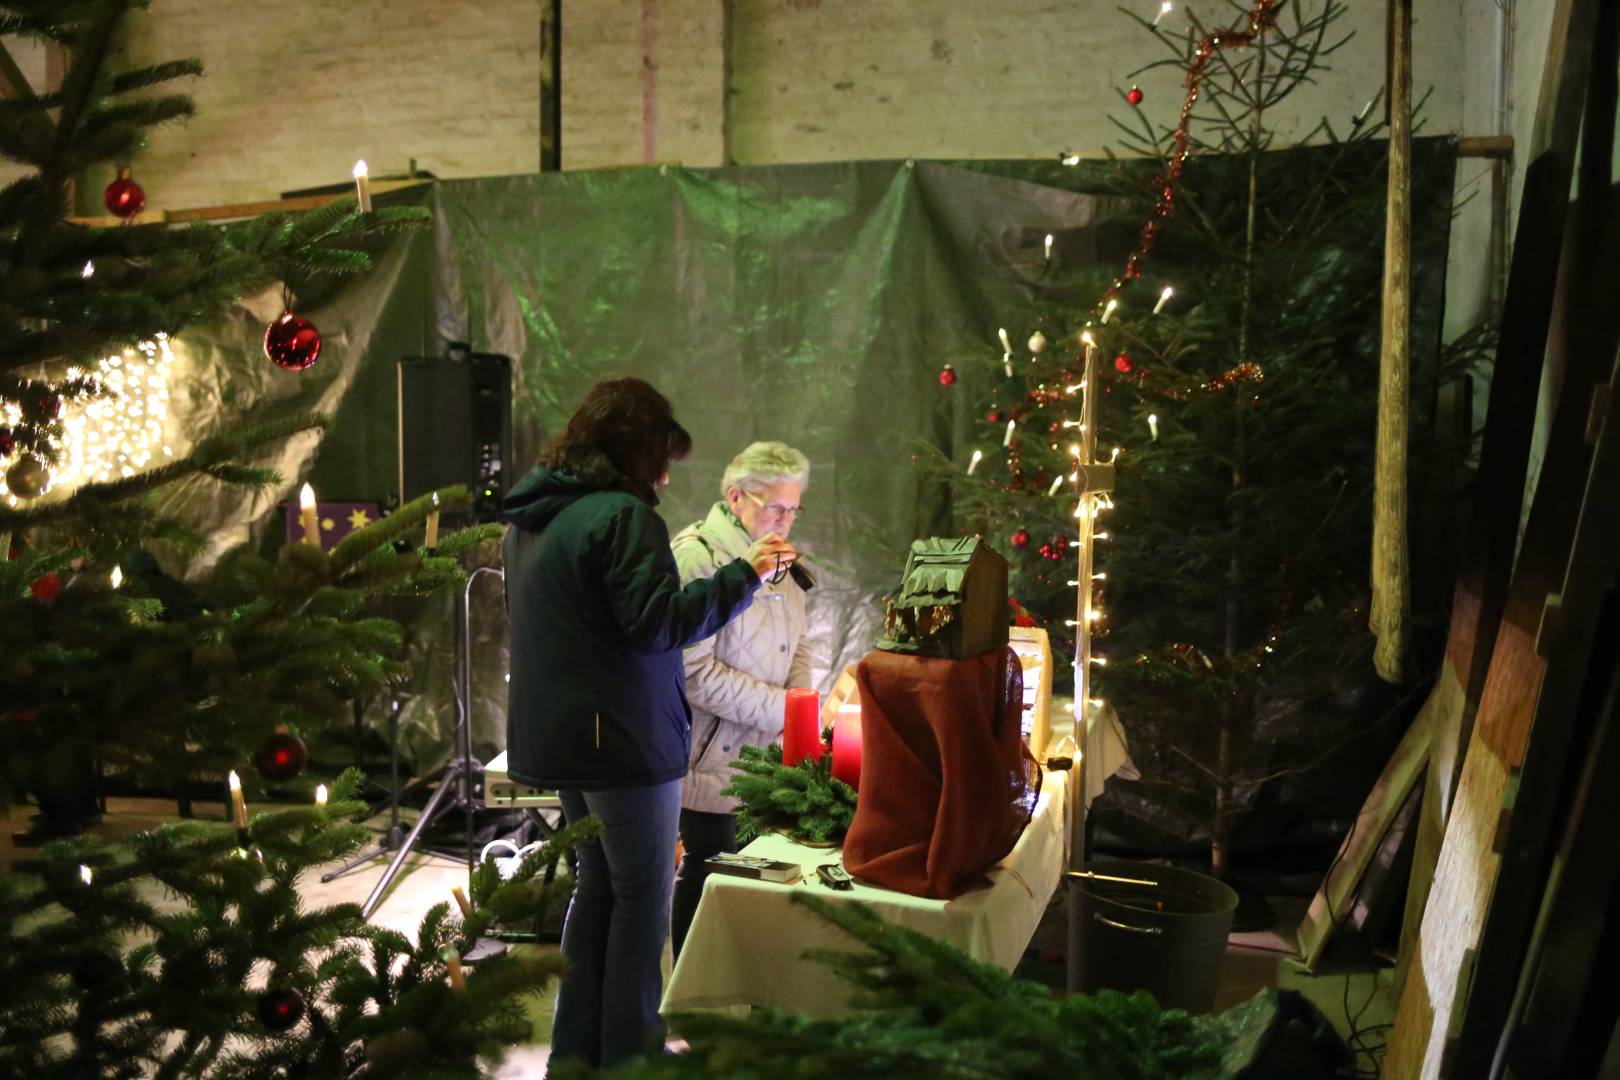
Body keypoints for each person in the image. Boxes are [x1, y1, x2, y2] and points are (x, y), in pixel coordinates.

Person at [501, 379, 795, 1069]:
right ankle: (632, 1057)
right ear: (634, 451)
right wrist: (743, 575)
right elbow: (659, 624)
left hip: (563, 740)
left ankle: (578, 1057)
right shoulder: (623, 518)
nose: (665, 475)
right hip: (624, 744)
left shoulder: (535, 517)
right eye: (662, 457)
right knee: (640, 901)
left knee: (597, 888)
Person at [669, 441, 814, 960]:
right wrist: (783, 710)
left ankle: (741, 988)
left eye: (794, 509)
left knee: (749, 875)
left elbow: (800, 639)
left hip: (759, 753)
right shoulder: (699, 558)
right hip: (704, 757)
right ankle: (691, 1002)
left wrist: (801, 703)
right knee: (707, 871)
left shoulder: (777, 554)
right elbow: (692, 672)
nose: (787, 519)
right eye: (775, 507)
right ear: (735, 497)